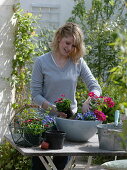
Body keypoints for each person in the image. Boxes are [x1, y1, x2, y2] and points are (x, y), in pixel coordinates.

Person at [30, 22, 101, 170]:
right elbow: (35, 94)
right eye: (67, 43)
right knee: (40, 165)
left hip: (68, 124)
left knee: (62, 165)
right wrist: (52, 108)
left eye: (74, 45)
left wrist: (90, 99)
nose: (69, 48)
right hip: (45, 123)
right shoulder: (41, 62)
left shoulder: (77, 62)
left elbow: (95, 87)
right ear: (58, 38)